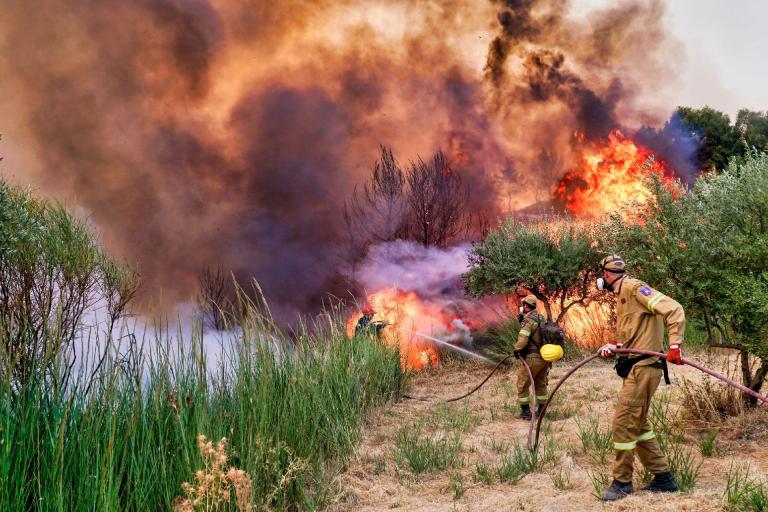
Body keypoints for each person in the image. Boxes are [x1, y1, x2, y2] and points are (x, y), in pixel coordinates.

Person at [596, 254, 685, 501]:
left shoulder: (635, 288)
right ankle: (663, 478)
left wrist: (675, 345)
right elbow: (632, 334)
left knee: (624, 423)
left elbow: (674, 309)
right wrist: (614, 346)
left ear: (605, 275)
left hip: (645, 367)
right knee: (639, 424)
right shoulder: (624, 295)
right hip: (636, 365)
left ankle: (621, 483)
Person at [513, 295, 550, 420]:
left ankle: (525, 412)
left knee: (522, 384)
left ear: (527, 306)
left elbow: (523, 339)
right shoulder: (541, 318)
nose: (523, 307)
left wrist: (517, 350)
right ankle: (542, 410)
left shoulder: (529, 321)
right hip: (544, 358)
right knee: (540, 383)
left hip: (532, 358)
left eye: (524, 305)